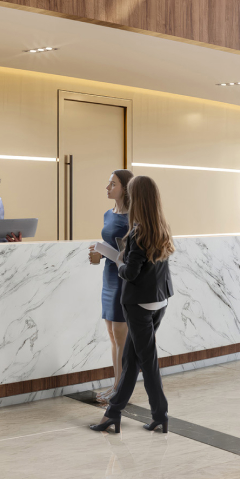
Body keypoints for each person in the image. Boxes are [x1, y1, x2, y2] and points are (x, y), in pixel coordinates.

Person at [91, 175, 174, 435]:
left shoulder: (138, 231)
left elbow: (130, 273)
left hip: (139, 304)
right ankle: (112, 415)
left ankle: (160, 415)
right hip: (159, 301)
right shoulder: (161, 226)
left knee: (146, 364)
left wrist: (118, 261)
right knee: (131, 359)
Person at [86, 169, 134, 404]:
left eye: (112, 184)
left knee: (121, 338)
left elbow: (131, 254)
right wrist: (99, 255)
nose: (107, 188)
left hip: (125, 279)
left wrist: (107, 254)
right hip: (109, 278)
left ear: (124, 188)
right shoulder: (108, 214)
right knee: (112, 336)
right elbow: (110, 248)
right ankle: (116, 385)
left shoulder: (133, 219)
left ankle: (121, 389)